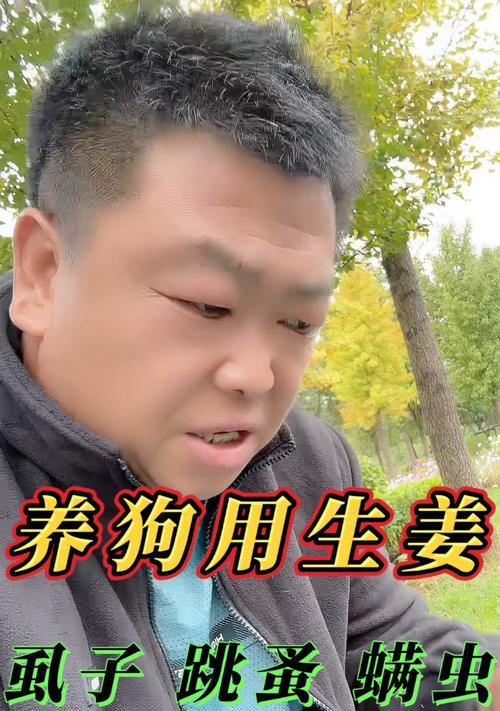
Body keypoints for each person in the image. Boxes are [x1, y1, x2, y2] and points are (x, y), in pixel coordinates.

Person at [0, 7, 497, 711]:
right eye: (206, 304)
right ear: (45, 272)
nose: (257, 377)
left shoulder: (307, 466)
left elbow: (390, 650)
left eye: (298, 322)